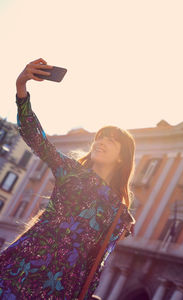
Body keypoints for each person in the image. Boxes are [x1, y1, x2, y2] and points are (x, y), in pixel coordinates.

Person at [0, 58, 135, 300]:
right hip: (24, 265)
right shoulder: (72, 171)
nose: (101, 141)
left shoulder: (119, 210)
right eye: (100, 137)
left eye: (111, 140)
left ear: (122, 159)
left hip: (61, 287)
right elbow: (35, 137)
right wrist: (21, 88)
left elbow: (98, 262)